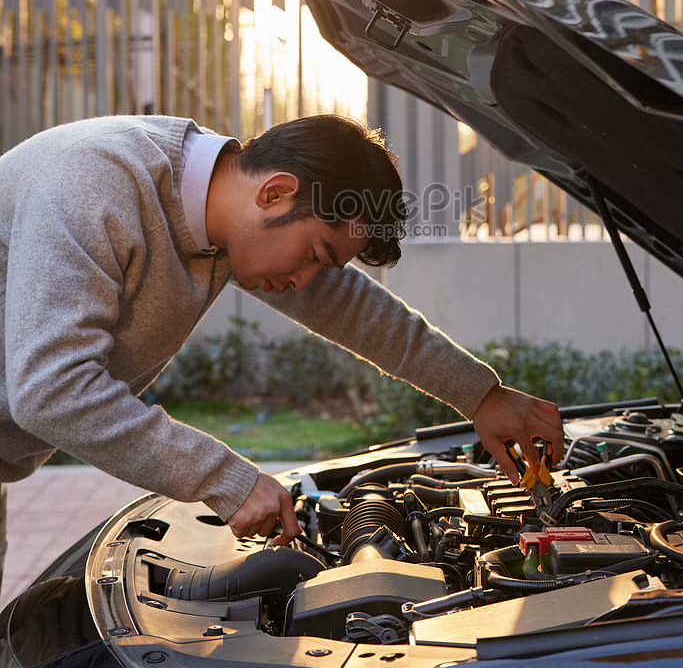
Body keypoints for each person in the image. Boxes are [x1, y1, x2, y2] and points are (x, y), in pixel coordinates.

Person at [0, 113, 562, 592]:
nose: (306, 280)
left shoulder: (224, 211)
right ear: (275, 193)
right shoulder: (94, 185)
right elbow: (52, 390)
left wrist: (480, 394)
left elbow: (354, 309)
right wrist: (226, 478)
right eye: (316, 253)